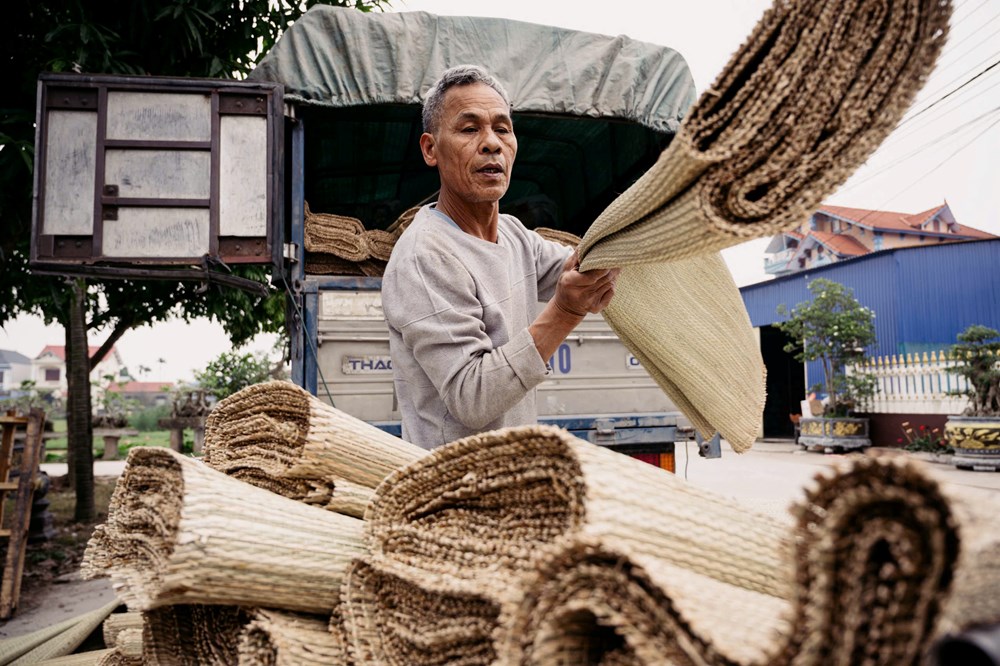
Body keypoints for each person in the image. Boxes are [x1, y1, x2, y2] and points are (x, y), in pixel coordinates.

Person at [381, 65, 619, 448]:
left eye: (502, 129)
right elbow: (471, 398)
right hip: (455, 490)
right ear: (430, 149)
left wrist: (638, 243)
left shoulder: (512, 234)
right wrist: (565, 312)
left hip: (510, 481)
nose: (491, 143)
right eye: (469, 128)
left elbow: (580, 266)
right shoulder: (426, 256)